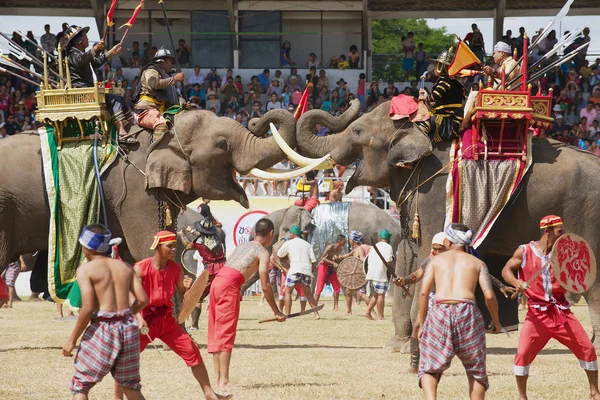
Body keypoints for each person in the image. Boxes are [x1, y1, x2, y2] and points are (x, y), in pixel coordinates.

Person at [114, 231, 229, 400]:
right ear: (158, 247)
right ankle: (118, 399)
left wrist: (188, 286)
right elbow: (128, 293)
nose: (174, 249)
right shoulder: (140, 268)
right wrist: (138, 317)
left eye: (175, 245)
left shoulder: (176, 268)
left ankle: (209, 394)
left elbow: (185, 295)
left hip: (166, 319)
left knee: (192, 350)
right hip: (144, 318)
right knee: (125, 360)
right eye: (170, 246)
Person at [502, 215, 600, 400]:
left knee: (587, 348)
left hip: (561, 312)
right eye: (559, 231)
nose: (563, 234)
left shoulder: (564, 253)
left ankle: (594, 392)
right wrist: (517, 282)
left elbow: (579, 272)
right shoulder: (525, 251)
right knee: (522, 353)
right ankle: (522, 396)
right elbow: (506, 270)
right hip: (537, 315)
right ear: (547, 231)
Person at [62, 224, 148, 400]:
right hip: (128, 328)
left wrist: (72, 340)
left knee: (81, 386)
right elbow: (143, 300)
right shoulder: (125, 267)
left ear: (86, 247)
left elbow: (88, 308)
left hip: (103, 329)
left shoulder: (86, 270)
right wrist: (127, 314)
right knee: (130, 386)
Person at [418, 223, 503, 400]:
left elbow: (424, 293)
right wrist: (496, 322)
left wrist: (422, 322)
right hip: (468, 312)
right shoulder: (478, 263)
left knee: (429, 367)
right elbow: (489, 296)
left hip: (440, 310)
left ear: (448, 241)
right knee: (476, 370)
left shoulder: (436, 261)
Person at [209, 218, 285, 390]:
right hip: (229, 286)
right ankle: (224, 381)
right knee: (226, 332)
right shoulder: (263, 253)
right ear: (271, 233)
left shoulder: (242, 246)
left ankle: (219, 379)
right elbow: (265, 286)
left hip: (217, 282)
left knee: (216, 331)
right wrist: (277, 311)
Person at [64, 25, 133, 138]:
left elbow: (96, 62)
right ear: (79, 40)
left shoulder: (82, 53)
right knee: (115, 100)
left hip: (90, 92)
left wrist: (111, 51)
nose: (87, 38)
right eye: (85, 36)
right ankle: (121, 130)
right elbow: (81, 60)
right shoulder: (72, 54)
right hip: (82, 93)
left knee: (119, 98)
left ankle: (132, 124)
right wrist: (95, 49)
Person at [178, 216, 226, 330]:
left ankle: (194, 325)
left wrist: (181, 234)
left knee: (197, 297)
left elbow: (187, 245)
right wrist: (193, 231)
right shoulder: (217, 236)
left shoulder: (198, 242)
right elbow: (205, 238)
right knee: (221, 297)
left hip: (210, 271)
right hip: (224, 268)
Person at [133, 46, 185, 141]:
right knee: (162, 124)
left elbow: (177, 96)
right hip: (146, 109)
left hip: (162, 111)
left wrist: (184, 103)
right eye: (170, 62)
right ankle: (156, 154)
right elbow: (153, 83)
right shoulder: (152, 70)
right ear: (162, 61)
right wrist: (174, 79)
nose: (171, 64)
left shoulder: (166, 76)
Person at [419, 49, 467, 142]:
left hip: (449, 117)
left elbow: (434, 97)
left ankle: (424, 147)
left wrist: (425, 97)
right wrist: (426, 96)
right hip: (448, 114)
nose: (434, 68)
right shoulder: (448, 80)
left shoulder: (445, 81)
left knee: (422, 122)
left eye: (436, 65)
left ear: (442, 66)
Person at [277, 224, 321, 319]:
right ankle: (316, 314)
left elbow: (279, 254)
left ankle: (288, 315)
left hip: (294, 269)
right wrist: (313, 270)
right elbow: (313, 260)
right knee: (308, 293)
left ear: (292, 234)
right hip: (306, 270)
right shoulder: (307, 244)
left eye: (290, 233)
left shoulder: (289, 243)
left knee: (288, 292)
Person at [335, 231, 370, 314]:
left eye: (350, 238)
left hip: (359, 276)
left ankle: (372, 312)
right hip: (354, 275)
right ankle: (349, 310)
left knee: (361, 295)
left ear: (353, 240)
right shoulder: (355, 250)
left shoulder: (360, 249)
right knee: (348, 291)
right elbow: (347, 255)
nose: (349, 240)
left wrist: (363, 263)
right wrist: (338, 257)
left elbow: (362, 259)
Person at [363, 230, 394, 321]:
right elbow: (388, 261)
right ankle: (380, 316)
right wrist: (394, 268)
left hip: (372, 272)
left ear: (380, 238)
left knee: (376, 294)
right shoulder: (388, 247)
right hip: (380, 273)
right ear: (388, 239)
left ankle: (367, 312)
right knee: (381, 295)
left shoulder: (374, 247)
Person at [314, 234, 346, 310]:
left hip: (331, 268)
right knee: (319, 287)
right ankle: (314, 307)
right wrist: (333, 263)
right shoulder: (330, 247)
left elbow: (334, 259)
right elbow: (322, 258)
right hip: (323, 266)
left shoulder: (340, 249)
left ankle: (336, 306)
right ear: (340, 241)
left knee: (336, 286)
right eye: (344, 241)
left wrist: (337, 259)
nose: (345, 243)